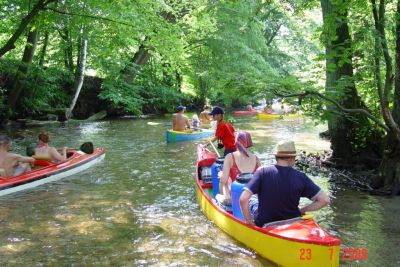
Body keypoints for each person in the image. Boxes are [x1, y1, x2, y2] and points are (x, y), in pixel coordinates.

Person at [239, 140, 331, 226]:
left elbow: (243, 199)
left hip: (265, 223)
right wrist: (302, 210)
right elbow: (325, 200)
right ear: (291, 158)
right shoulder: (301, 177)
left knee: (253, 198)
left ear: (276, 157)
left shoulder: (262, 172)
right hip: (293, 220)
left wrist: (249, 221)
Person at [219, 131, 260, 203]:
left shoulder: (229, 157)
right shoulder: (256, 158)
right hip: (252, 198)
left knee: (222, 178)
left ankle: (223, 204)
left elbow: (223, 181)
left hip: (236, 197)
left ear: (236, 141)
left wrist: (221, 176)